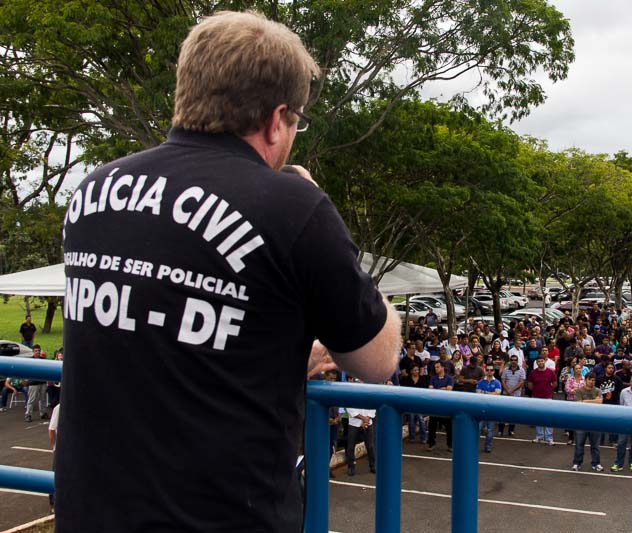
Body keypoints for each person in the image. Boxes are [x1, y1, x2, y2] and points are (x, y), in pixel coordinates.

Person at [57, 12, 401, 532]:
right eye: (296, 121)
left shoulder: (94, 190)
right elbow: (378, 359)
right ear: (276, 118)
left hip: (91, 512)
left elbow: (149, 319)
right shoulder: (293, 206)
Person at [572, 374, 604, 472]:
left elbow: (600, 402)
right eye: (590, 380)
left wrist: (585, 401)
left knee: (595, 445)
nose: (592, 382)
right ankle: (577, 463)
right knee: (579, 444)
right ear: (586, 380)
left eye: (594, 380)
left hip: (595, 422)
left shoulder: (598, 390)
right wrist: (593, 401)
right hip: (581, 421)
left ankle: (596, 463)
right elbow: (578, 404)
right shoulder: (579, 391)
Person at [527, 356, 557, 445]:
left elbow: (555, 384)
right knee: (538, 417)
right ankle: (539, 436)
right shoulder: (533, 372)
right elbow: (530, 385)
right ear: (537, 363)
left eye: (541, 361)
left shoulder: (550, 372)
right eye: (538, 361)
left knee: (549, 417)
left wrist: (548, 390)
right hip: (536, 397)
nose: (540, 363)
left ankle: (549, 438)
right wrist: (536, 391)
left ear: (544, 361)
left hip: (548, 397)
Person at [427, 361, 454, 451]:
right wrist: (443, 389)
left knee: (449, 428)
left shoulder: (449, 378)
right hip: (435, 406)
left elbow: (449, 390)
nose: (436, 369)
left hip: (445, 407)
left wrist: (437, 389)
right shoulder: (433, 378)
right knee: (431, 427)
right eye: (435, 367)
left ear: (442, 368)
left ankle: (450, 445)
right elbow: (430, 389)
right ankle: (431, 443)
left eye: (438, 367)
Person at [345, 403, 376, 476]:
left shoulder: (370, 393)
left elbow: (373, 406)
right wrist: (363, 418)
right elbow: (349, 408)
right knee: (351, 446)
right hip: (354, 423)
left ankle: (373, 466)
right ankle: (351, 467)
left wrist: (367, 418)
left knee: (370, 446)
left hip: (368, 422)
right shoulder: (351, 393)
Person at [476, 366, 502, 453]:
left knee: (490, 430)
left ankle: (488, 446)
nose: (489, 371)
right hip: (481, 409)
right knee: (478, 429)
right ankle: (474, 446)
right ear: (485, 371)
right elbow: (478, 393)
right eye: (487, 370)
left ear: (494, 371)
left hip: (492, 409)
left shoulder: (497, 382)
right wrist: (491, 393)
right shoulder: (480, 382)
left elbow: (498, 393)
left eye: (491, 370)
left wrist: (485, 392)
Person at [400, 365, 429, 443]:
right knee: (411, 419)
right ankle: (412, 437)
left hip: (419, 402)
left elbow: (424, 391)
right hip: (410, 402)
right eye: (415, 370)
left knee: (421, 420)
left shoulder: (422, 379)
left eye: (417, 370)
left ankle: (423, 438)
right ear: (411, 371)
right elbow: (404, 391)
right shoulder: (406, 380)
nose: (417, 371)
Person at [25, 345, 48, 422]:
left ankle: (43, 413)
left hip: (42, 382)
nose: (37, 352)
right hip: (33, 382)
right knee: (31, 399)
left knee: (43, 398)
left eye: (39, 350)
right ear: (33, 351)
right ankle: (28, 414)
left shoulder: (44, 360)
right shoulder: (30, 361)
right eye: (36, 350)